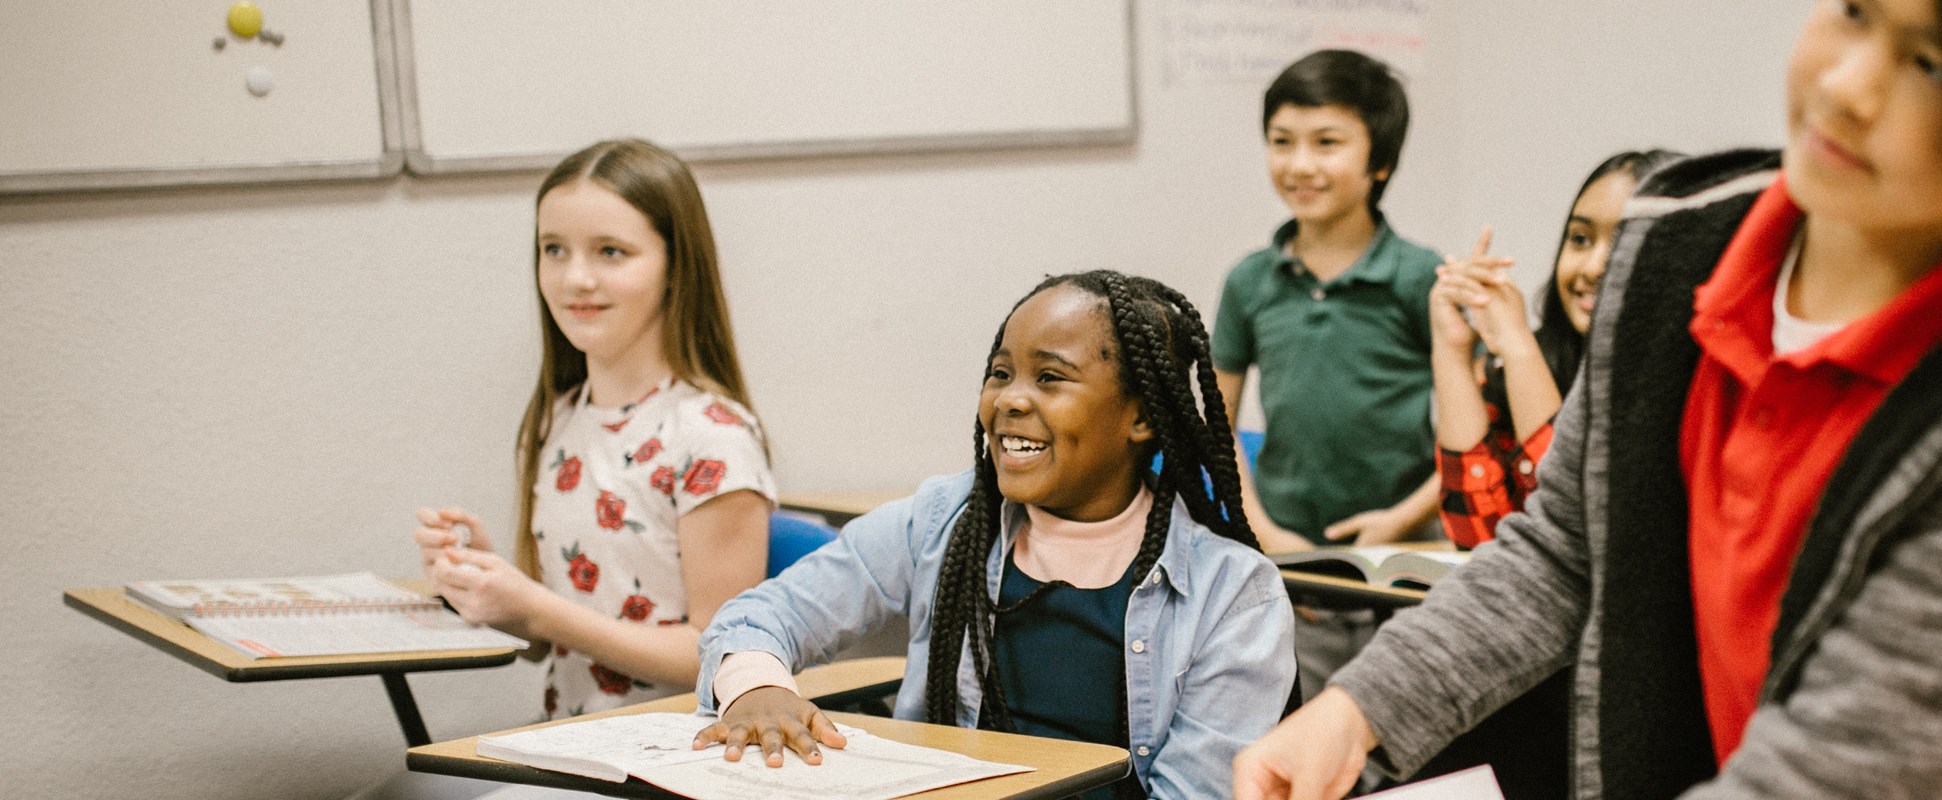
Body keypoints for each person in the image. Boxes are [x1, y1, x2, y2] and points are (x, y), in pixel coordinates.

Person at [1235, 0, 1942, 796]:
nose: (1846, 86)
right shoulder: (1679, 242)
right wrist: (1357, 707)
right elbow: (1565, 551)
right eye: (1854, 10)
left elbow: (1843, 767)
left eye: (1931, 63)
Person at [694, 271, 1294, 800]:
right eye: (1000, 373)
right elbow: (761, 615)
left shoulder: (1235, 595)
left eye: (1051, 378)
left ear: (1140, 417)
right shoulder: (942, 520)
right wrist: (756, 688)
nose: (1009, 400)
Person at [412, 138, 776, 720]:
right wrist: (486, 582)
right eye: (553, 250)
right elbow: (544, 644)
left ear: (676, 267)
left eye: (611, 251)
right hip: (566, 748)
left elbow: (725, 653)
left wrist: (535, 608)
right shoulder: (559, 418)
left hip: (673, 761)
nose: (575, 277)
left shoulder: (713, 437)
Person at [1211, 47, 1444, 702]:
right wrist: (1259, 526)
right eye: (1282, 141)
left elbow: (1476, 431)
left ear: (1380, 162)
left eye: (1327, 142)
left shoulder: (1420, 275)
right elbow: (1215, 422)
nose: (1300, 164)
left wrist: (1403, 516)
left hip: (1404, 568)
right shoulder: (1250, 281)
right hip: (1286, 569)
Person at [1431, 150, 1678, 549]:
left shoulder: (1693, 384)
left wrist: (1517, 347)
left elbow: (1576, 533)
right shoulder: (1540, 362)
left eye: (1624, 243)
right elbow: (1477, 534)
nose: (1593, 267)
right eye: (1580, 239)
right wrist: (1451, 350)